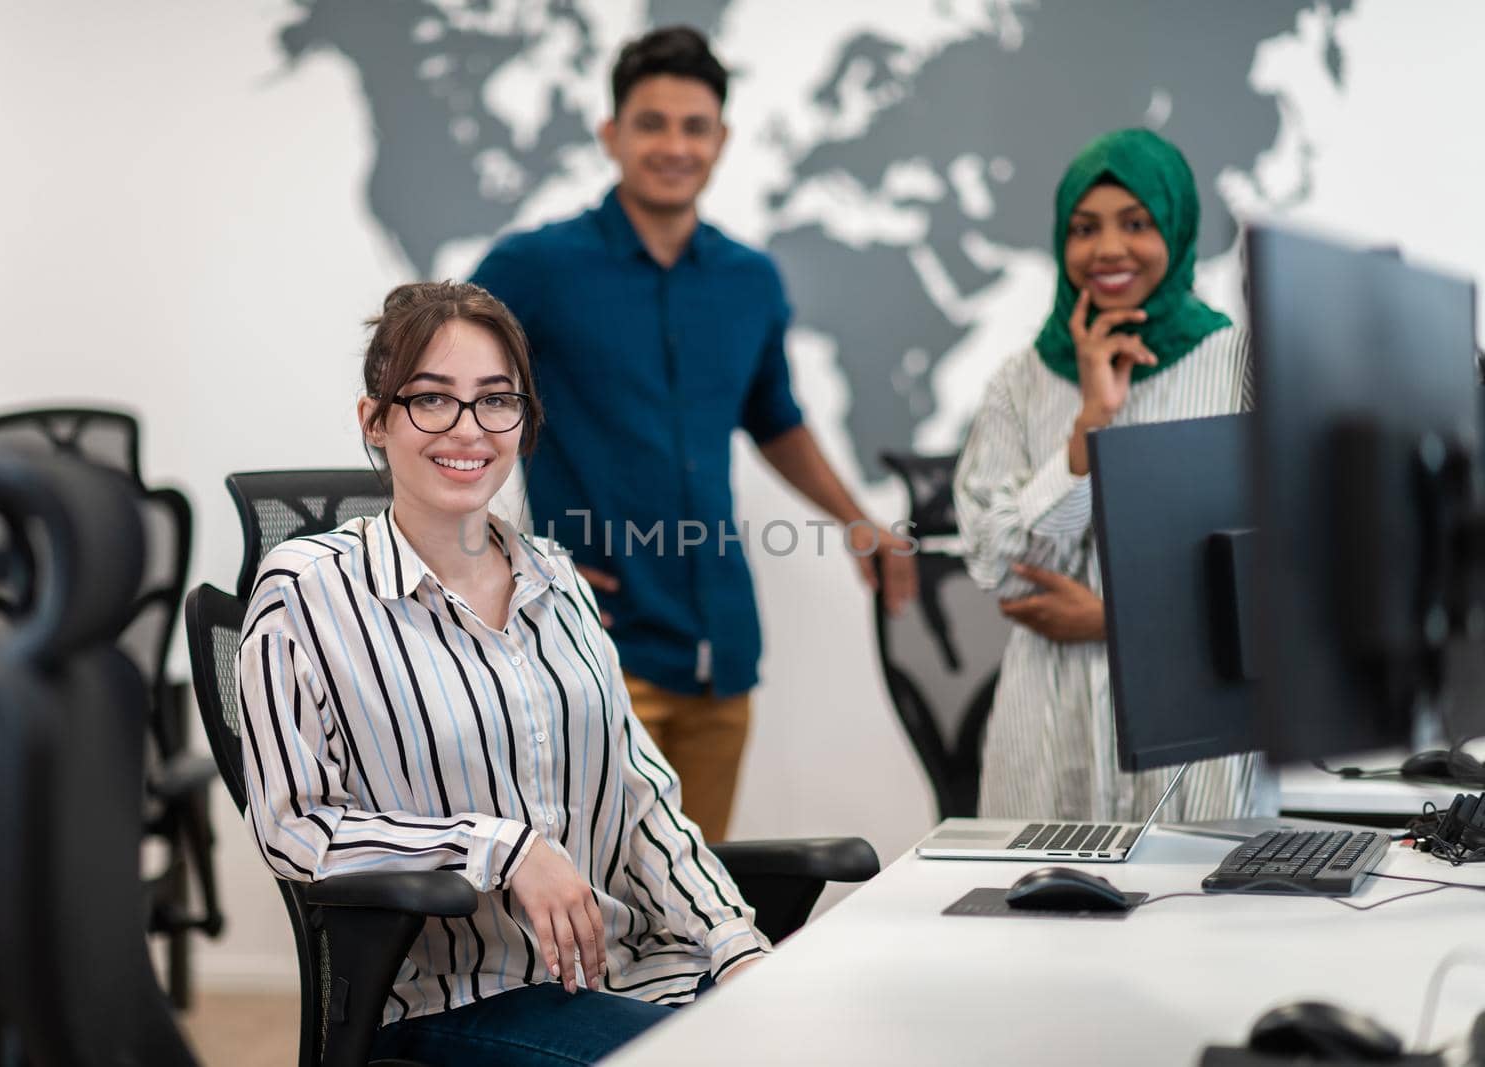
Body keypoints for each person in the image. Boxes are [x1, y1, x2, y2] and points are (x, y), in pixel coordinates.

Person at [238, 281, 769, 1067]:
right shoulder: (308, 590)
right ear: (374, 420)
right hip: (457, 998)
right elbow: (297, 827)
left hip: (629, 974)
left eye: (496, 400)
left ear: (524, 424)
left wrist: (735, 942)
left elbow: (639, 798)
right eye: (430, 399)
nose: (467, 429)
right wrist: (499, 848)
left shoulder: (558, 577)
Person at [471, 26, 916, 842]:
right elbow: (447, 399)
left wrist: (857, 521)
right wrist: (482, 546)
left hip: (722, 648)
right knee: (595, 915)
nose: (674, 145)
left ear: (722, 139)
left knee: (698, 911)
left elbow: (774, 418)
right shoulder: (534, 267)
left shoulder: (750, 280)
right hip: (594, 648)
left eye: (694, 126)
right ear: (612, 135)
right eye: (652, 124)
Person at [953, 128, 1266, 822]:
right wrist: (1089, 425)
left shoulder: (1243, 369)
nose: (1108, 250)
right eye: (1084, 228)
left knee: (1204, 919)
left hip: (1198, 738)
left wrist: (1115, 621)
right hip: (1046, 730)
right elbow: (999, 567)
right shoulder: (1022, 381)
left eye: (1136, 223)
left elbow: (1276, 576)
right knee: (1039, 922)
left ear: (1176, 230)